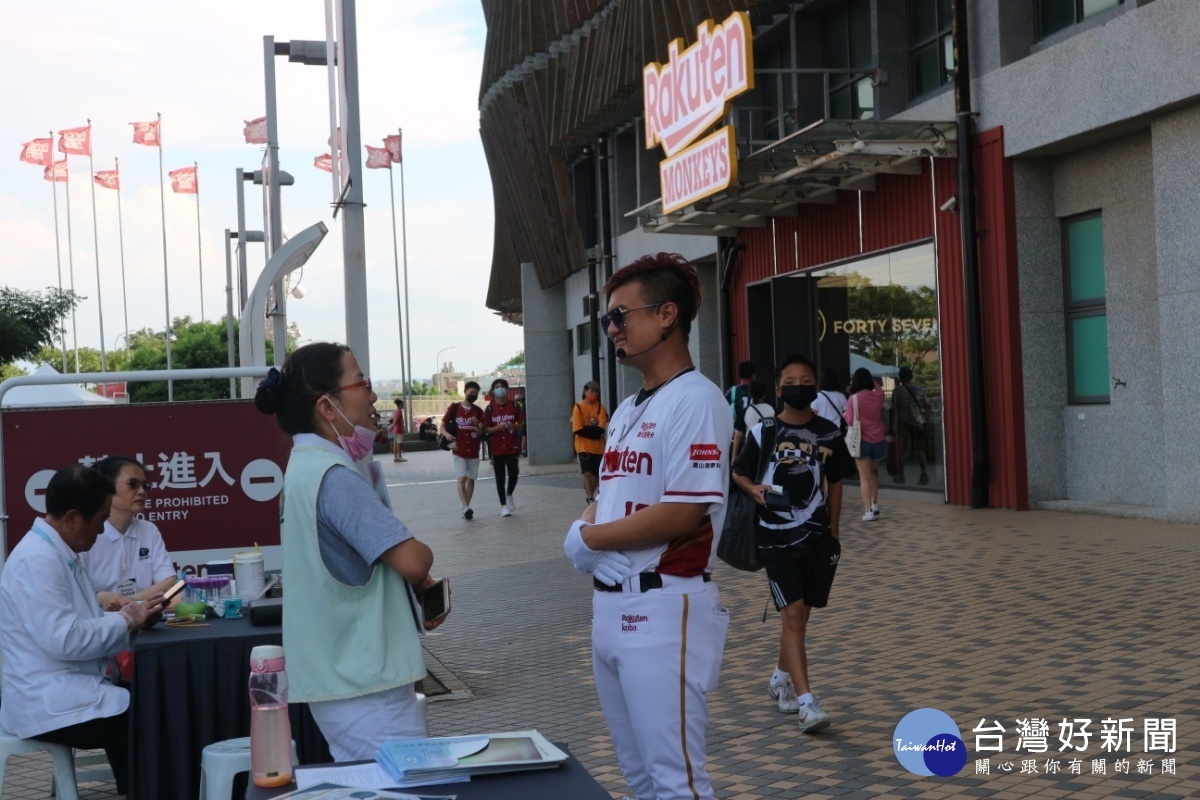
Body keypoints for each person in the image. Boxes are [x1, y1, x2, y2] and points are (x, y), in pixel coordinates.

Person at [562, 252, 732, 800]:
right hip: (610, 606)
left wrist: (588, 540)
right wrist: (582, 530)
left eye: (619, 316)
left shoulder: (697, 398)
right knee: (639, 780)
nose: (611, 329)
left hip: (665, 606)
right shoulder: (631, 406)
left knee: (675, 779)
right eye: (606, 320)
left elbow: (685, 511)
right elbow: (610, 496)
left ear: (666, 315)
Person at [254, 342, 445, 761]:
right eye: (362, 382)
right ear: (327, 405)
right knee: (400, 787)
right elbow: (413, 560)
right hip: (366, 683)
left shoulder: (303, 466)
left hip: (343, 674)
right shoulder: (334, 476)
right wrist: (422, 558)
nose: (373, 394)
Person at [0, 465, 163, 796]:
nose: (101, 531)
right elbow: (65, 639)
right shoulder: (38, 560)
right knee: (156, 712)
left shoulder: (58, 553)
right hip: (47, 701)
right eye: (100, 520)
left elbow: (75, 628)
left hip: (65, 687)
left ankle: (135, 789)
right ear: (72, 518)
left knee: (149, 697)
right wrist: (126, 619)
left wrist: (126, 620)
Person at [732, 355, 854, 733]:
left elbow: (835, 482)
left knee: (802, 616)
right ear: (780, 389)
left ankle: (778, 680)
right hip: (775, 536)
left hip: (816, 536)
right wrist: (754, 490)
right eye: (791, 380)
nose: (799, 386)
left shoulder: (829, 431)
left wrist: (833, 530)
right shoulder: (764, 431)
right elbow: (738, 471)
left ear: (815, 387)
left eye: (806, 380)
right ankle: (807, 704)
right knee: (794, 616)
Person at [81, 455, 178, 611]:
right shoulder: (86, 534)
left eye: (145, 485)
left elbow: (168, 580)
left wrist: (132, 601)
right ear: (106, 488)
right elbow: (74, 589)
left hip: (144, 619)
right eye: (133, 484)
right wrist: (98, 597)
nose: (142, 492)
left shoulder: (148, 530)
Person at [843, 367, 887, 521]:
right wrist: (871, 379)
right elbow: (879, 388)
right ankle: (875, 503)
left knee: (864, 477)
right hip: (878, 440)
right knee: (874, 473)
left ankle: (868, 511)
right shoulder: (878, 396)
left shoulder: (853, 399)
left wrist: (844, 415)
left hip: (861, 441)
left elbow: (849, 420)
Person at [441, 381, 485, 519]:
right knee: (462, 478)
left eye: (475, 394)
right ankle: (466, 507)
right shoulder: (454, 408)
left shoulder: (478, 411)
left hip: (473, 450)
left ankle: (466, 507)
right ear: (465, 392)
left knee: (471, 480)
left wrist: (477, 424)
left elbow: (481, 432)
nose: (472, 395)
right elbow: (442, 425)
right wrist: (447, 435)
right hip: (458, 449)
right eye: (470, 393)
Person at [483, 378, 525, 517]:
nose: (499, 388)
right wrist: (497, 428)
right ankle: (503, 505)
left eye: (502, 386)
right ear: (493, 391)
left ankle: (509, 494)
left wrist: (512, 425)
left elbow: (521, 424)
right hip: (496, 447)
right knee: (499, 477)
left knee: (513, 473)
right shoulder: (489, 409)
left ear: (506, 390)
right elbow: (486, 429)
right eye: (497, 387)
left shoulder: (514, 406)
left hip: (511, 445)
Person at [893, 365, 932, 485]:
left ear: (900, 378)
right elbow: (928, 405)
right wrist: (926, 418)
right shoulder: (919, 389)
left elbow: (893, 408)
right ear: (911, 376)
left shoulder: (897, 391)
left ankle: (901, 475)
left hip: (903, 424)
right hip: (918, 424)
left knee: (903, 450)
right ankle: (924, 472)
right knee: (918, 450)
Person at [571, 380, 608, 504]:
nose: (594, 394)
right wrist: (594, 432)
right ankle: (590, 498)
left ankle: (590, 493)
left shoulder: (600, 408)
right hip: (582, 447)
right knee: (587, 473)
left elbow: (601, 427)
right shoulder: (578, 407)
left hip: (598, 448)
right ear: (585, 392)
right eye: (591, 391)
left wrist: (590, 431)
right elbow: (577, 429)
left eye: (596, 392)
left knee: (596, 476)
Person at [728, 360, 756, 463]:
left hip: (736, 440)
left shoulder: (732, 392)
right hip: (756, 438)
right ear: (753, 374)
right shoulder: (759, 391)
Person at [390, 398, 407, 463]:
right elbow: (396, 420)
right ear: (400, 405)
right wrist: (392, 426)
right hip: (399, 430)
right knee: (399, 444)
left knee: (396, 444)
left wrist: (392, 427)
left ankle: (395, 457)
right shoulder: (399, 411)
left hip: (396, 430)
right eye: (403, 404)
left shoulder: (396, 411)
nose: (403, 406)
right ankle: (399, 456)